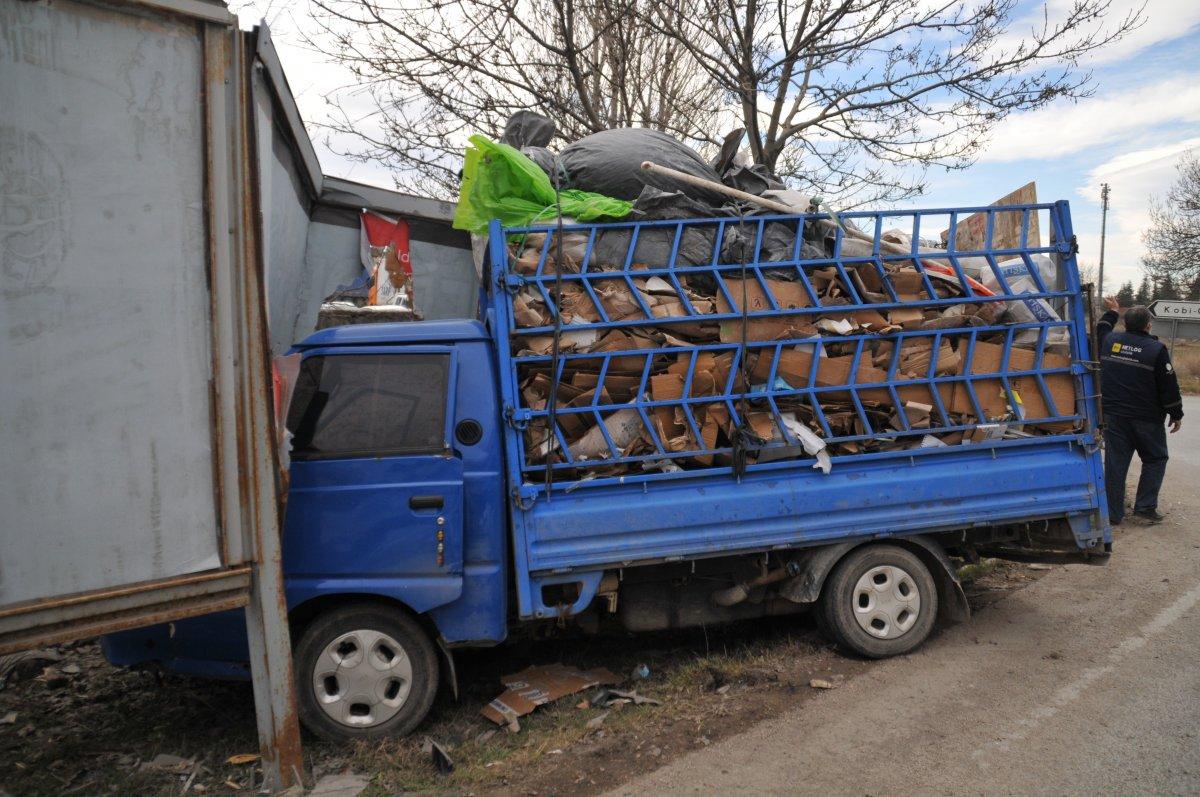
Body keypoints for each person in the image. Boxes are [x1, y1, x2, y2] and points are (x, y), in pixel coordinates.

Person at [1097, 296, 1184, 525]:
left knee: (1115, 465)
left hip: (1114, 416)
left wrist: (1112, 312)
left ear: (1125, 325)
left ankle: (1114, 514)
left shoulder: (1109, 341)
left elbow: (1101, 329)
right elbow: (1169, 386)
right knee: (1156, 458)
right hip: (1147, 419)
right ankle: (1145, 507)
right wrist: (1176, 414)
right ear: (1148, 325)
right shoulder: (1156, 349)